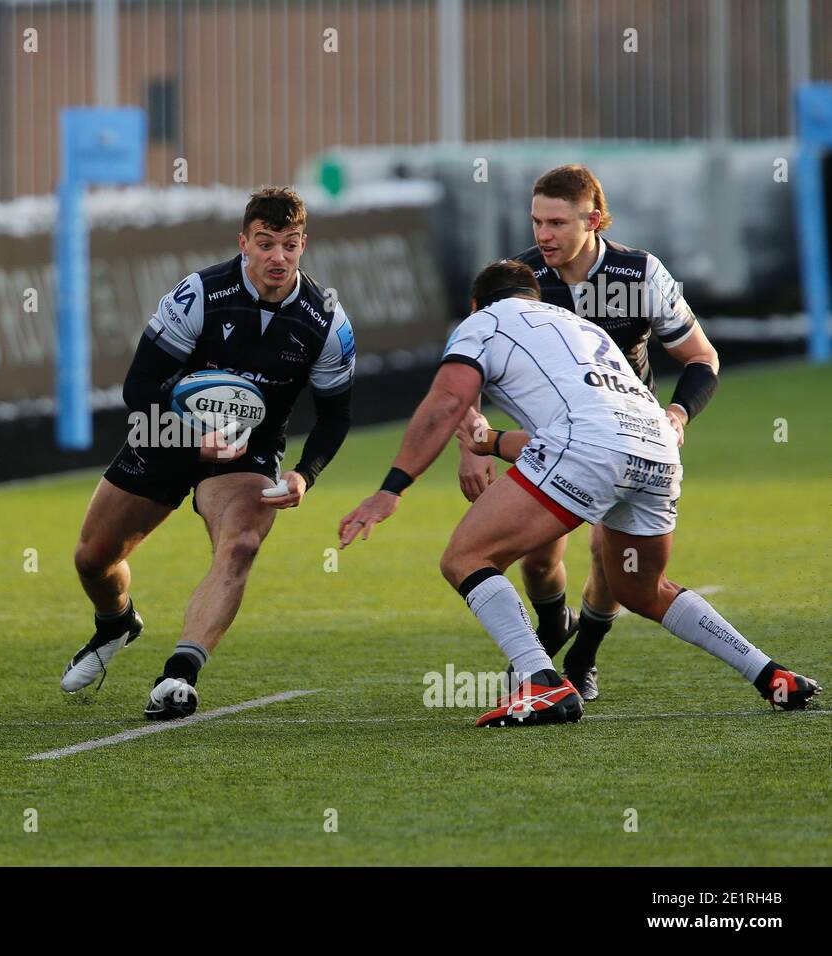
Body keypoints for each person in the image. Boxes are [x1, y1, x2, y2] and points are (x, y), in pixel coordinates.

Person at [339, 259, 818, 727]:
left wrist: (392, 488)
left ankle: (541, 679)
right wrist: (490, 443)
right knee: (641, 588)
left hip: (590, 449)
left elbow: (446, 402)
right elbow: (579, 425)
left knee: (465, 558)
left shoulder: (485, 322)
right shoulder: (580, 328)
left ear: (475, 304)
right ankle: (769, 673)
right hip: (656, 447)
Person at [61, 186, 355, 720]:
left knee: (241, 543)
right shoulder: (200, 295)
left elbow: (336, 416)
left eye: (289, 245)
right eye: (265, 244)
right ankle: (117, 622)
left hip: (248, 451)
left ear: (304, 245)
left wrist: (305, 474)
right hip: (168, 432)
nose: (278, 258)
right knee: (92, 558)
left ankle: (178, 676)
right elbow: (139, 388)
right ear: (244, 242)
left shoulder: (327, 322)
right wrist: (191, 437)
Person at [458, 164, 722, 700]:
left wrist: (676, 415)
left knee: (610, 554)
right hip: (547, 441)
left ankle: (583, 656)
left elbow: (701, 357)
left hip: (624, 438)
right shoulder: (522, 281)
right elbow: (469, 367)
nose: (543, 235)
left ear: (594, 220)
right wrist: (472, 445)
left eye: (556, 222)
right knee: (537, 558)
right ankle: (553, 622)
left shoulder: (640, 273)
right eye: (536, 222)